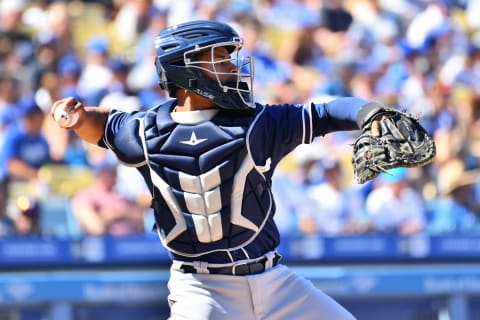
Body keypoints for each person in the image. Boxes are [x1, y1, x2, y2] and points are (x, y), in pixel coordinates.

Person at [51, 20, 392, 320]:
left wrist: (370, 113)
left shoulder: (259, 122)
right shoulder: (146, 132)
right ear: (185, 69)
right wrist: (78, 118)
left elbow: (326, 114)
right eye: (219, 58)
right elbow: (104, 126)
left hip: (275, 283)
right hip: (201, 290)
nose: (232, 67)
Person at [70, 160, 146, 237]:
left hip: (136, 242)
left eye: (114, 172)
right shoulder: (84, 197)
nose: (115, 175)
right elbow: (96, 228)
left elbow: (142, 218)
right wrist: (123, 215)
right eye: (110, 172)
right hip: (107, 244)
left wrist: (116, 215)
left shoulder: (122, 195)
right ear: (100, 174)